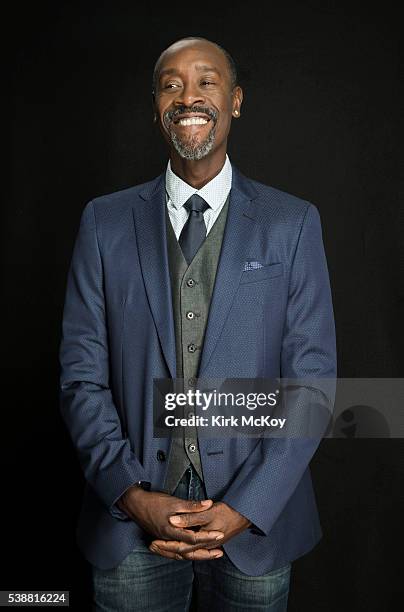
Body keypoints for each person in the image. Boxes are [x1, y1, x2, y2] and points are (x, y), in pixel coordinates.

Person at [59, 36, 337, 611]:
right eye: (170, 84)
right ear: (156, 107)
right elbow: (80, 378)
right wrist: (133, 495)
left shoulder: (293, 223)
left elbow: (311, 385)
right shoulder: (104, 223)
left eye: (206, 81)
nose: (188, 96)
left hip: (257, 524)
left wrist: (248, 505)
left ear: (235, 100)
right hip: (131, 525)